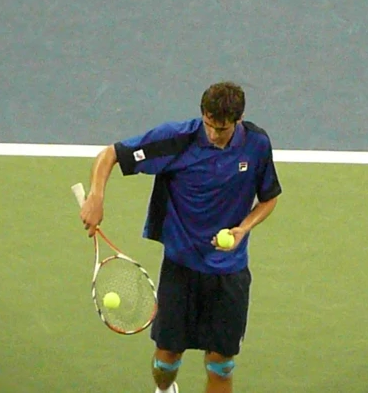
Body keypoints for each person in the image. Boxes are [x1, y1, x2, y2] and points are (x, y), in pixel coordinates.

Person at [79, 81, 282, 393]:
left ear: (238, 121)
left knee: (221, 364)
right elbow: (111, 155)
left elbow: (269, 198)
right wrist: (96, 196)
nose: (214, 134)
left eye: (223, 129)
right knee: (166, 361)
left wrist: (244, 227)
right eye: (210, 125)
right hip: (181, 268)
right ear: (203, 115)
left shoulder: (256, 144)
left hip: (229, 272)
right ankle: (165, 390)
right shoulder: (177, 140)